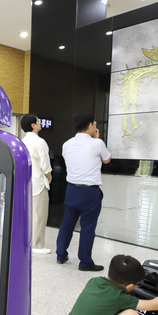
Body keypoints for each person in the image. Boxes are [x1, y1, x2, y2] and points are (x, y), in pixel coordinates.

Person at [55, 112, 111, 271]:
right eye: (94, 124)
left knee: (67, 224)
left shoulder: (66, 144)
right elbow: (106, 159)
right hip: (90, 193)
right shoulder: (97, 143)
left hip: (71, 190)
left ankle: (60, 254)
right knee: (87, 227)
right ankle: (85, 262)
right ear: (91, 125)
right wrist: (96, 140)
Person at [21, 114, 52, 254]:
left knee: (28, 215)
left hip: (26, 184)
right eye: (39, 121)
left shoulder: (22, 141)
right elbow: (45, 165)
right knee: (39, 215)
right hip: (39, 183)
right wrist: (49, 177)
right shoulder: (40, 142)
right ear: (33, 125)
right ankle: (37, 245)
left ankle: (27, 242)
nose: (40, 123)